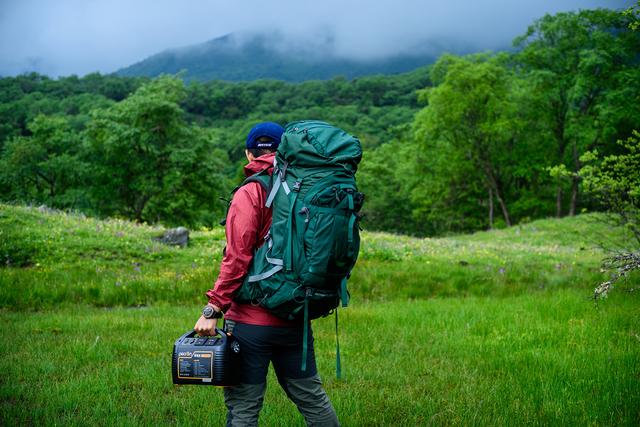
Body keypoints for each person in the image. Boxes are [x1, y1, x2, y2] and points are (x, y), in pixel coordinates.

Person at [194, 122, 340, 427]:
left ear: (249, 154)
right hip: (295, 316)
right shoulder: (305, 189)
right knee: (313, 400)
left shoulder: (250, 192)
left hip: (250, 324)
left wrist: (213, 308)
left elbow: (237, 257)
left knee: (244, 408)